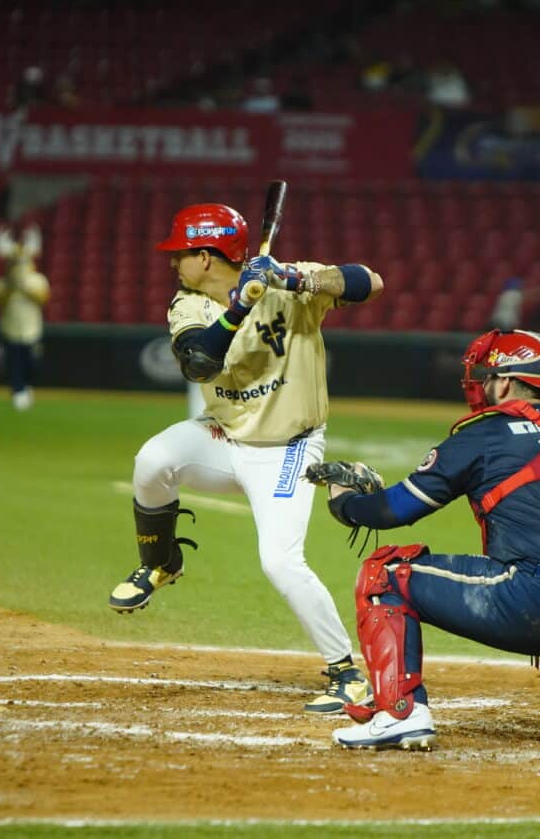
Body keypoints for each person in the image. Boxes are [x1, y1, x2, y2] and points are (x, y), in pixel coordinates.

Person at [312, 329, 540, 750]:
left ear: (507, 381)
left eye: (487, 375)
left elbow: (395, 511)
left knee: (385, 576)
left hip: (532, 601)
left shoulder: (485, 434)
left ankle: (400, 714)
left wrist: (344, 501)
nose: (480, 385)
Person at [108, 203, 384, 715]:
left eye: (183, 254)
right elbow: (198, 361)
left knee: (280, 561)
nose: (174, 263)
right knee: (152, 461)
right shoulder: (187, 304)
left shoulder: (289, 283)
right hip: (224, 436)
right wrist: (239, 307)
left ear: (209, 256)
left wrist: (290, 280)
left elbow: (370, 281)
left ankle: (347, 673)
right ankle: (161, 562)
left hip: (287, 446)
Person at [0, 224, 50, 411]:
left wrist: (24, 287)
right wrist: (12, 286)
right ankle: (17, 391)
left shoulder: (37, 280)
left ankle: (27, 387)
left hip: (32, 329)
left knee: (32, 363)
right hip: (11, 329)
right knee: (14, 364)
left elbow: (43, 297)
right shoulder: (3, 283)